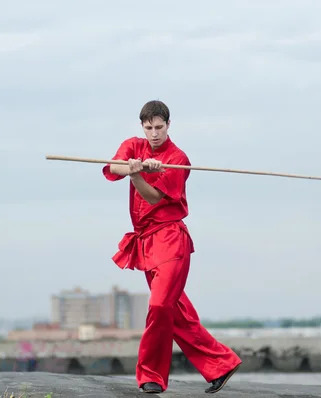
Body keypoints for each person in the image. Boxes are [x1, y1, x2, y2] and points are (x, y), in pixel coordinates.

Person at [102, 100, 242, 394]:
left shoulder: (177, 158)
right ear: (142, 126)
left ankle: (150, 376)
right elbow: (112, 168)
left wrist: (139, 174)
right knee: (176, 314)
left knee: (159, 305)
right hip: (145, 243)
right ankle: (222, 364)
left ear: (168, 125)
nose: (154, 133)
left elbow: (153, 198)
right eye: (149, 127)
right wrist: (131, 166)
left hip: (171, 241)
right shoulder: (132, 145)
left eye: (159, 127)